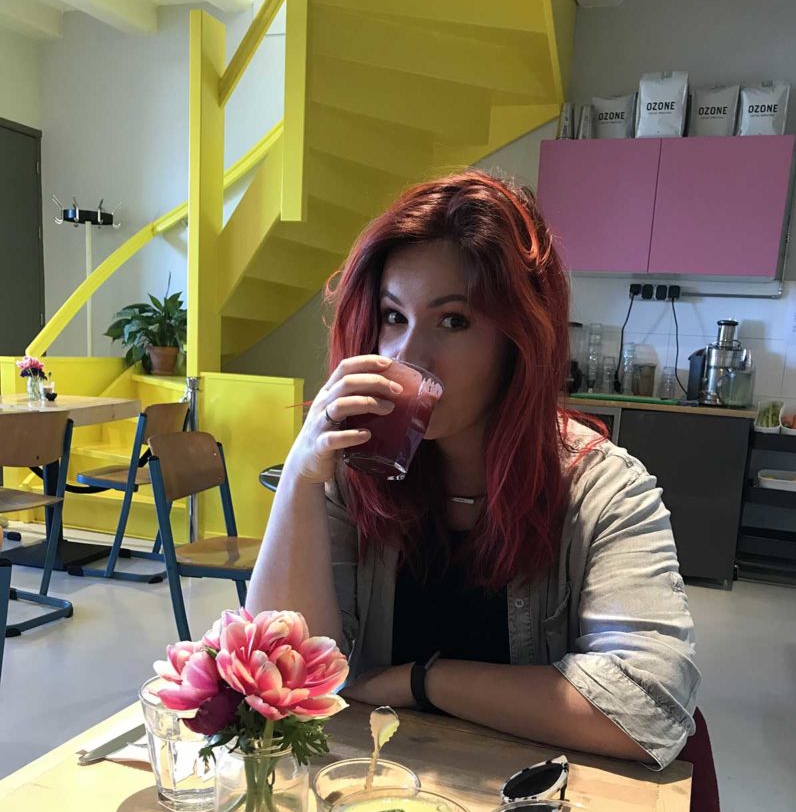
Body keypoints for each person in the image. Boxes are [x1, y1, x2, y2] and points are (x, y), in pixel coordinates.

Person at [247, 170, 700, 770]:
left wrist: (423, 681)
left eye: (453, 320)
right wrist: (301, 479)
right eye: (393, 317)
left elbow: (649, 707)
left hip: (535, 801)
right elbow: (280, 673)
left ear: (519, 341)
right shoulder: (356, 474)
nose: (407, 357)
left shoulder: (604, 489)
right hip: (376, 787)